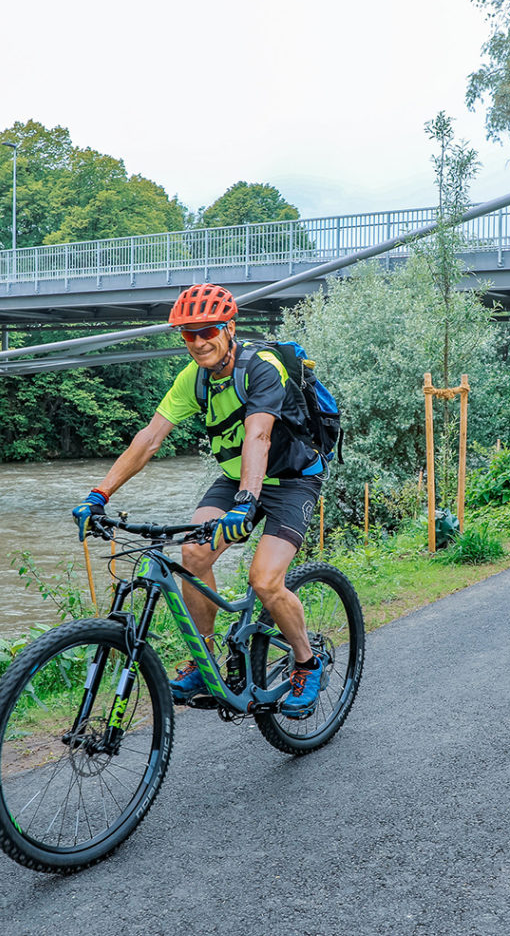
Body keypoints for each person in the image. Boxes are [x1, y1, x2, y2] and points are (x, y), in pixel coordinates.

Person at [71, 283, 328, 716]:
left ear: (229, 328)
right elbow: (150, 439)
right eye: (187, 334)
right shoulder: (194, 379)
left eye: (206, 330)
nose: (197, 342)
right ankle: (205, 664)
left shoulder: (262, 368)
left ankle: (307, 662)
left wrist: (247, 501)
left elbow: (258, 436)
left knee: (264, 580)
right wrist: (100, 493)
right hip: (235, 479)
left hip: (290, 480)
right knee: (193, 552)